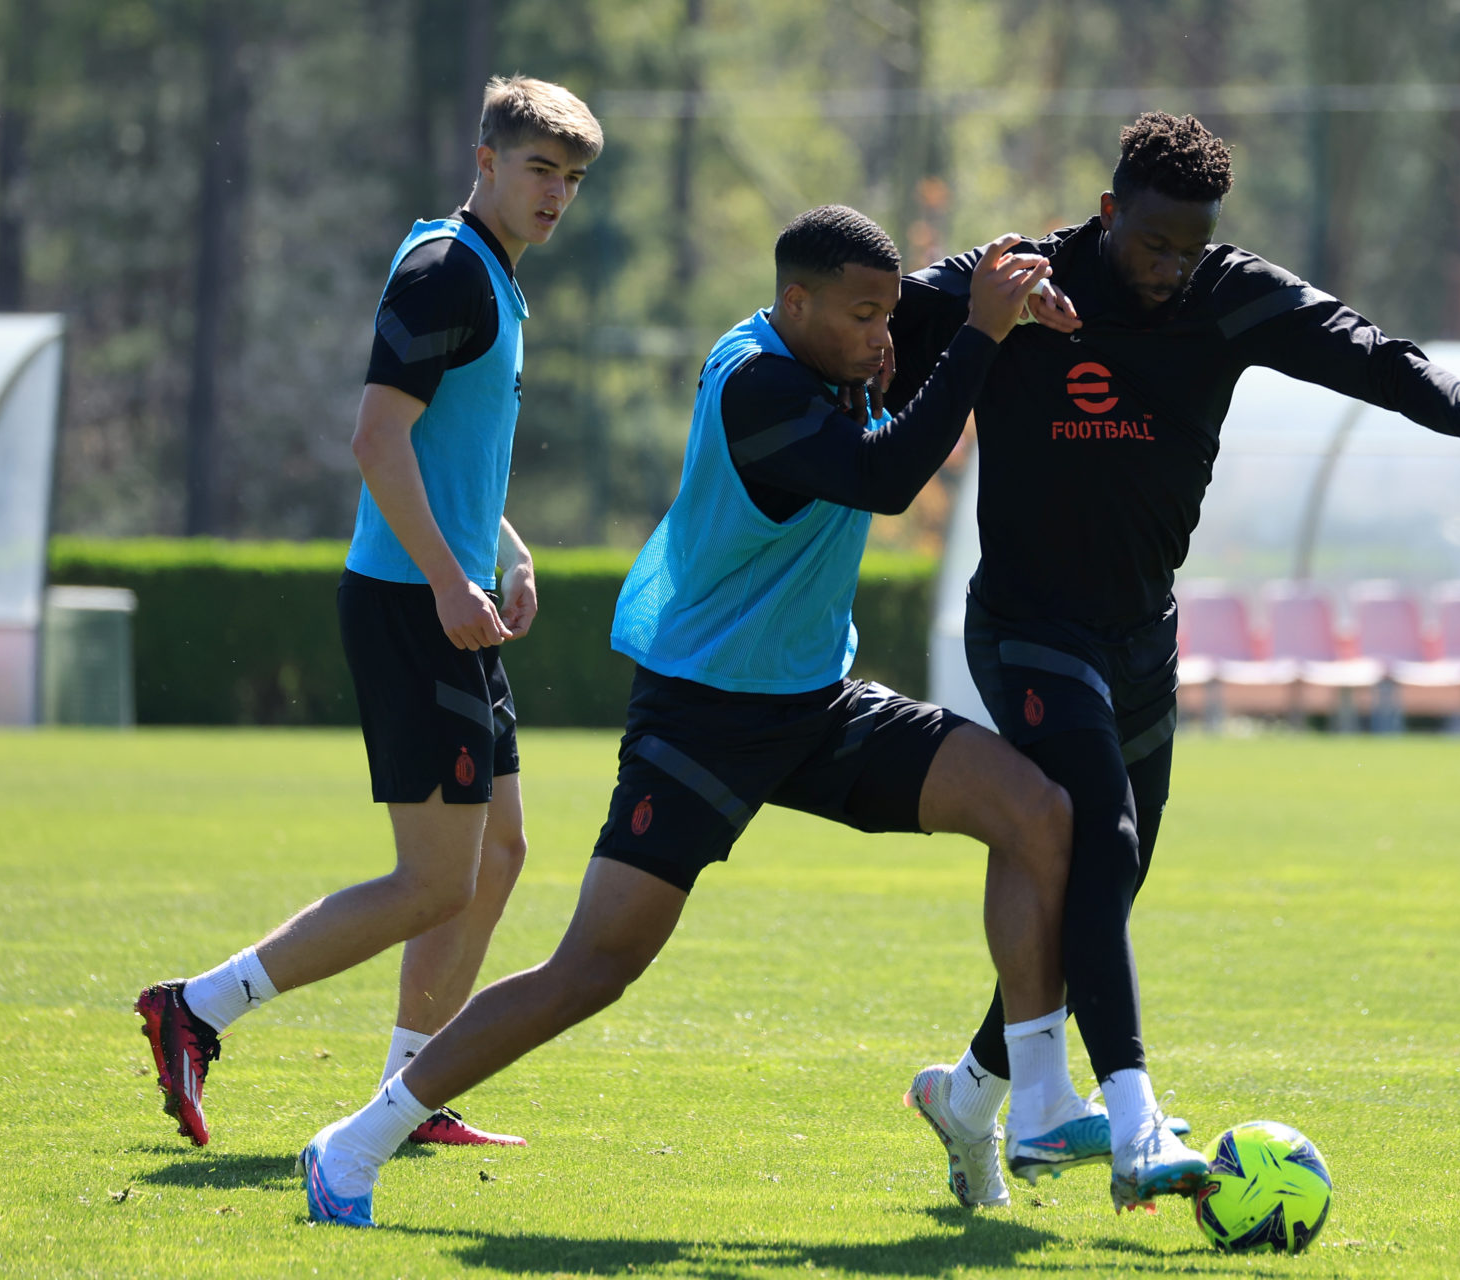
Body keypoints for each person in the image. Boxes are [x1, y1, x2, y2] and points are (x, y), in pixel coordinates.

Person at [296, 207, 1079, 1227]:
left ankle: (1011, 1102)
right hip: (704, 711)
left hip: (814, 699)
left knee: (1037, 810)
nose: (883, 335)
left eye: (889, 312)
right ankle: (354, 1142)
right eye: (862, 315)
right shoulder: (757, 382)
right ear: (794, 301)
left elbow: (961, 274)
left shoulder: (837, 326)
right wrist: (979, 334)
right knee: (595, 966)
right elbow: (887, 479)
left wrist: (1055, 257)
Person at [890, 111, 1460, 1211]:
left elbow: (1365, 348)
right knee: (1096, 838)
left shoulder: (1227, 292)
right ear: (1108, 212)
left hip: (1141, 639)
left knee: (1109, 877)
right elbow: (878, 308)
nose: (1169, 269)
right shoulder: (1016, 278)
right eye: (1152, 243)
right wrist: (786, 350)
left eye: (1189, 248)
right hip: (1025, 625)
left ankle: (970, 1096)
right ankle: (1129, 1120)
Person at [135, 76, 603, 1150]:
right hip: (408, 603)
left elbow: (446, 449)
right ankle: (197, 1007)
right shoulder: (448, 271)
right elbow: (376, 439)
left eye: (572, 180)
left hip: (445, 592)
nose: (556, 196)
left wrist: (504, 547)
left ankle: (411, 1091)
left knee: (500, 853)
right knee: (435, 878)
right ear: (485, 160)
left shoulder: (490, 272)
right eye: (539, 169)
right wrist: (448, 578)